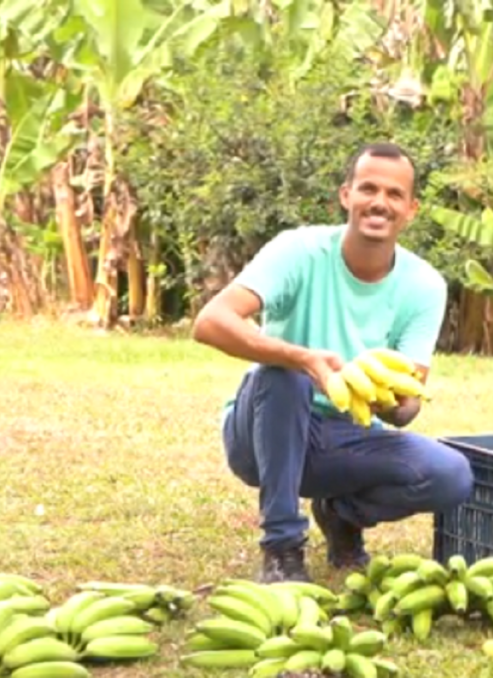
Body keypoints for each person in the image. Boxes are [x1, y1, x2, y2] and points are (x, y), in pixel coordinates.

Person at [191, 141, 475, 584]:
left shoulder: (424, 286)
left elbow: (407, 409)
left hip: (347, 437)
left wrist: (386, 399)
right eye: (368, 189)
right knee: (285, 376)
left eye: (394, 194)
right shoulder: (298, 252)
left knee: (452, 475)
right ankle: (282, 549)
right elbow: (210, 321)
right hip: (264, 432)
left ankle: (341, 515)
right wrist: (304, 359)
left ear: (411, 209)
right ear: (346, 195)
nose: (380, 202)